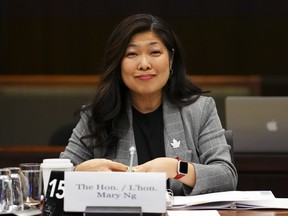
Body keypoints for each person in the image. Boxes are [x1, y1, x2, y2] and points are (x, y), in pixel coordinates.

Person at [60, 13, 238, 196]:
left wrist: (177, 168)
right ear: (118, 63)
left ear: (170, 59)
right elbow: (54, 179)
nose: (144, 64)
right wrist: (78, 173)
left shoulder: (199, 110)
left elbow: (226, 175)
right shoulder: (97, 116)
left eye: (154, 52)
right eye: (132, 54)